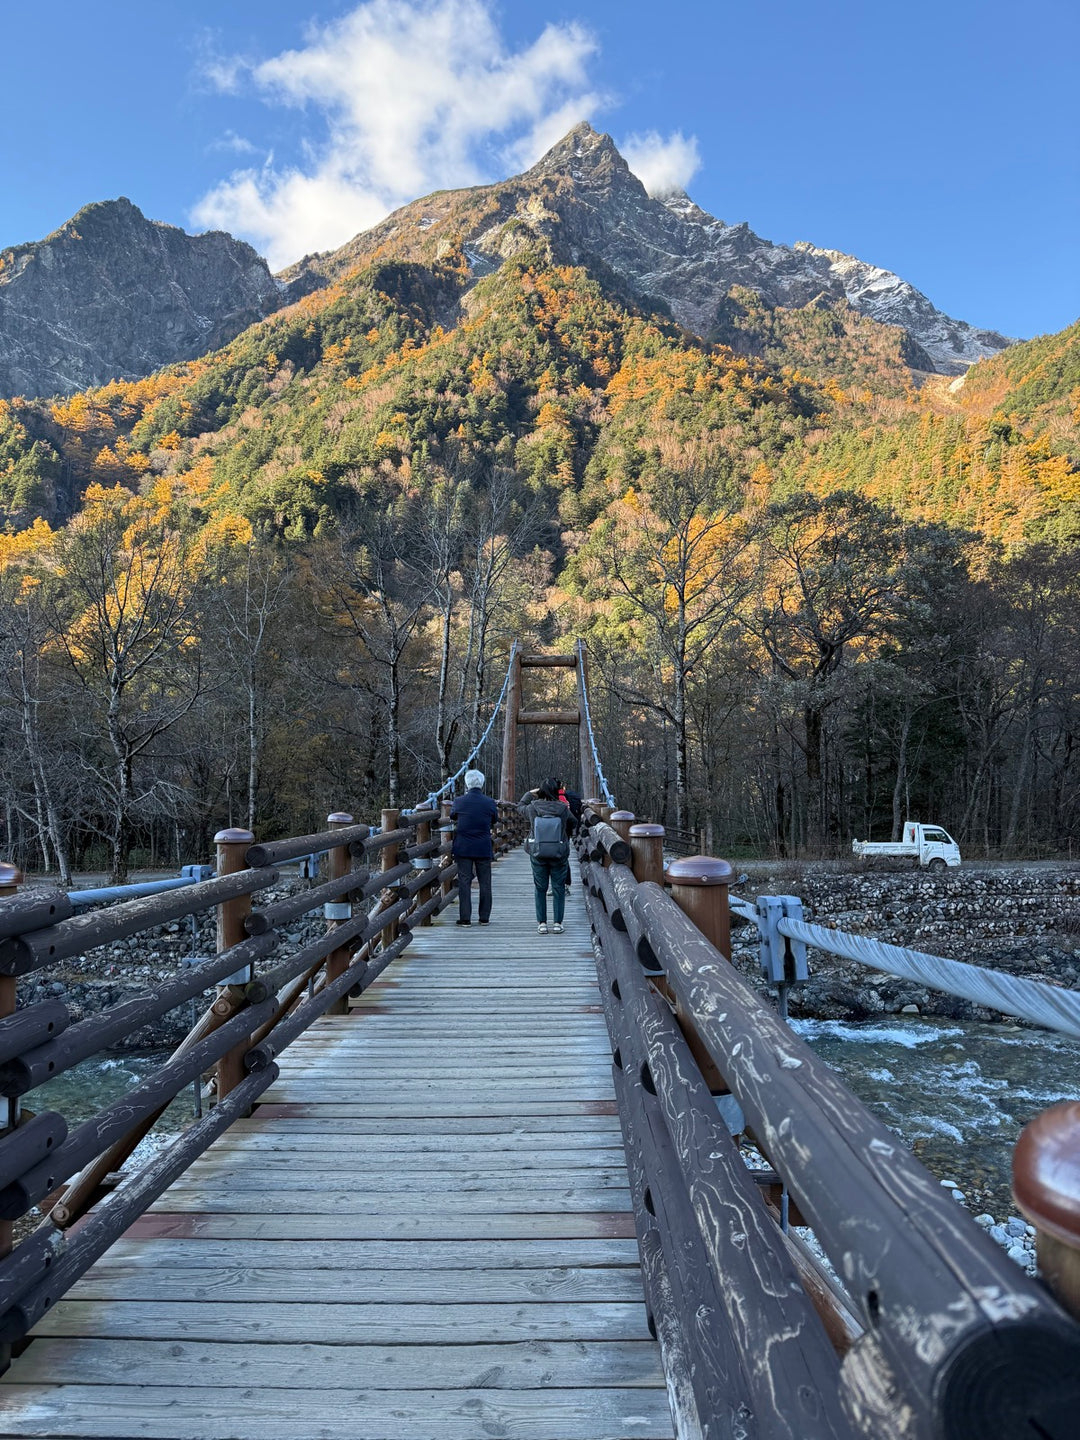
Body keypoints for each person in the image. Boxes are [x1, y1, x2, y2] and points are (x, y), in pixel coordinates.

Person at [518, 776, 572, 935]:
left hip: (538, 852)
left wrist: (529, 793)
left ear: (540, 791)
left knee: (540, 888)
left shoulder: (533, 807)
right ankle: (557, 924)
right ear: (557, 791)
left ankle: (542, 923)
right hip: (559, 853)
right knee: (558, 888)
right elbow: (574, 821)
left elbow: (519, 806)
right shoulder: (563, 808)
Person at [450, 769, 499, 925]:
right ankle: (484, 917)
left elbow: (452, 815)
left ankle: (465, 918)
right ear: (482, 784)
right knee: (485, 882)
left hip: (463, 847)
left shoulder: (459, 801)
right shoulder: (490, 802)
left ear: (467, 784)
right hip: (483, 847)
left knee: (464, 882)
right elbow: (494, 819)